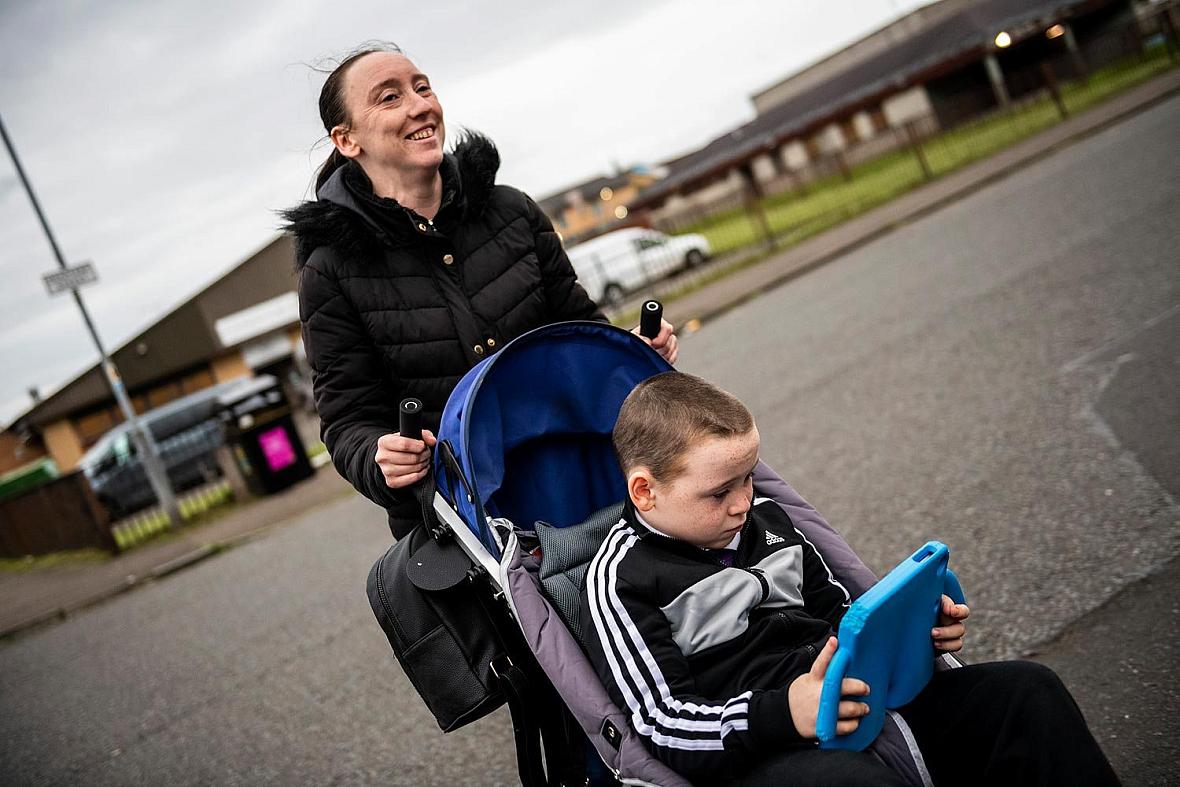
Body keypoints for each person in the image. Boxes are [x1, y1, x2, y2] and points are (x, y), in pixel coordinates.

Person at [583, 371, 1120, 787]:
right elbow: (663, 724)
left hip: (854, 694)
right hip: (761, 748)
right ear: (645, 493)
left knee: (1027, 692)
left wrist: (914, 630)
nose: (743, 502)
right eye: (720, 492)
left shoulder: (768, 520)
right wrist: (782, 714)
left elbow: (838, 613)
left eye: (748, 477)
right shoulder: (623, 579)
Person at [283, 43, 678, 537]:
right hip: (462, 523)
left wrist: (631, 355)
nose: (419, 104)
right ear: (346, 140)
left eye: (422, 86)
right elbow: (347, 424)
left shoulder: (512, 212)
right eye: (389, 98)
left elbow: (580, 332)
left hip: (578, 479)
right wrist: (380, 458)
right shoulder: (331, 270)